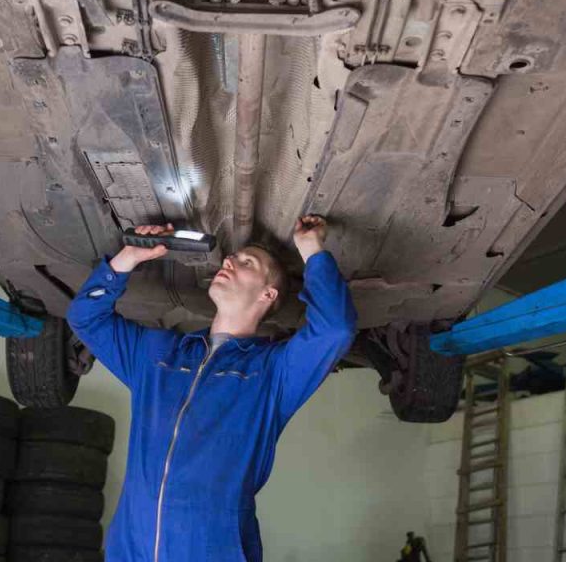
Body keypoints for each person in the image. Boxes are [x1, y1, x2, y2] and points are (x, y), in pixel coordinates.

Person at [68, 215, 357, 562]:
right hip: (129, 550)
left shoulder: (271, 374)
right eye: (230, 258)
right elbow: (85, 318)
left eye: (246, 262)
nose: (230, 260)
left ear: (268, 294)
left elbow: (335, 330)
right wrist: (127, 258)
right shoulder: (159, 356)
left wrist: (311, 249)